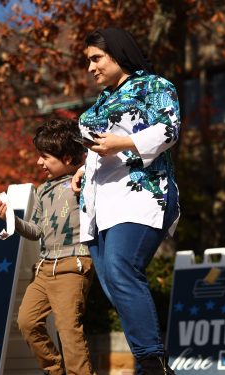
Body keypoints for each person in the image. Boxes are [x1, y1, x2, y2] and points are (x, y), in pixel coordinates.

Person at [72, 28, 180, 375]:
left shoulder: (155, 86)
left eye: (96, 58)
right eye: (88, 60)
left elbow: (169, 129)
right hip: (98, 206)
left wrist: (122, 144)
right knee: (113, 286)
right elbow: (98, 149)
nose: (90, 67)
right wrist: (81, 169)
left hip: (142, 194)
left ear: (117, 53)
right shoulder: (100, 103)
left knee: (121, 267)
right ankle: (150, 362)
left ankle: (152, 363)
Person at [0, 119, 94, 375]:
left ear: (69, 158)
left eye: (45, 157)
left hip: (74, 263)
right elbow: (37, 230)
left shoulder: (86, 182)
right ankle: (54, 369)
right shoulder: (42, 191)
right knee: (27, 321)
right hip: (43, 268)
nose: (39, 163)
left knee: (68, 328)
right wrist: (12, 220)